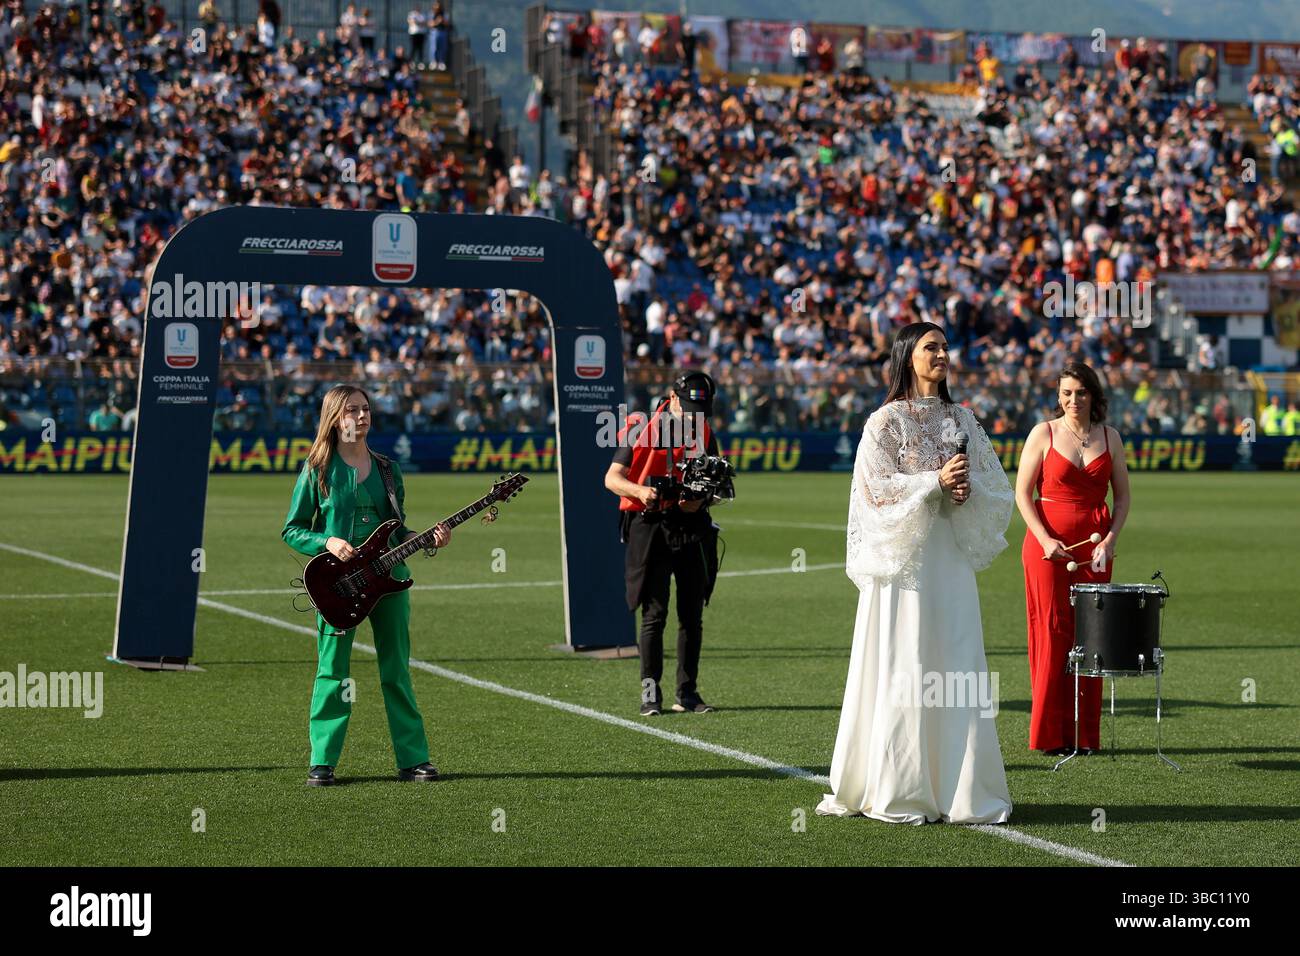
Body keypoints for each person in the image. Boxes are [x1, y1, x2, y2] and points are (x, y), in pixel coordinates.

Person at [817, 322, 1014, 824]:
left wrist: (963, 494)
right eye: (932, 347)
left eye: (946, 346)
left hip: (948, 560)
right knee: (905, 657)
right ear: (908, 356)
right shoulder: (884, 423)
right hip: (903, 563)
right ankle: (899, 787)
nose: (943, 354)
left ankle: (961, 790)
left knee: (956, 659)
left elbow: (995, 488)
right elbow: (873, 493)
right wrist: (932, 481)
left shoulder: (962, 419)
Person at [282, 384, 450, 786]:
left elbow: (398, 528)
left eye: (365, 409)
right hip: (337, 587)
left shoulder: (388, 469)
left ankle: (413, 759)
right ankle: (322, 761)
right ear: (334, 417)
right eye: (352, 410)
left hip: (388, 582)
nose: (361, 416)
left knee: (396, 669)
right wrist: (327, 541)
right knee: (332, 671)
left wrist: (424, 538)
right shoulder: (317, 470)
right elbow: (292, 529)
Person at [1015, 362, 1131, 756]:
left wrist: (1110, 541)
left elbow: (1124, 497)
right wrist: (1045, 539)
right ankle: (1050, 734)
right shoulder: (1042, 433)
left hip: (1095, 550)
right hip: (1047, 550)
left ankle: (1084, 735)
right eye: (1066, 393)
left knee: (1091, 636)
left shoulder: (1110, 436)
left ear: (1093, 395)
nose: (1072, 400)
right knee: (1052, 633)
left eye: (1080, 392)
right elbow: (1022, 494)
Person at [604, 372, 733, 716]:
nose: (694, 415)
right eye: (689, 407)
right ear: (672, 398)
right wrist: (641, 491)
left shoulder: (705, 430)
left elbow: (715, 485)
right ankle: (650, 693)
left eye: (700, 409)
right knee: (654, 613)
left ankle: (687, 693)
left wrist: (702, 501)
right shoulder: (640, 426)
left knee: (691, 614)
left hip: (690, 525)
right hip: (649, 524)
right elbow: (612, 478)